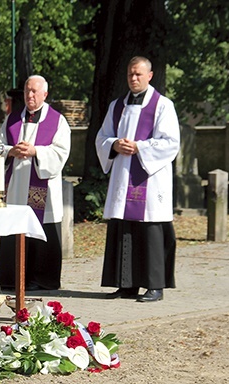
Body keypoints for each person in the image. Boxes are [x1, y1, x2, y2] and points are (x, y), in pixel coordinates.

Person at [95, 56, 180, 303]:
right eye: (130, 74)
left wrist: (140, 147)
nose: (133, 78)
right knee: (124, 227)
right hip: (123, 174)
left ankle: (155, 285)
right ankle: (126, 284)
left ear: (150, 76)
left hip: (149, 178)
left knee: (150, 228)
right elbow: (102, 137)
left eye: (139, 74)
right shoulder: (116, 106)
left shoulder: (163, 105)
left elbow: (171, 143)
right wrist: (114, 144)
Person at [0, 75, 71, 291]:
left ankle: (42, 279)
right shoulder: (13, 118)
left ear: (45, 94)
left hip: (43, 192)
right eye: (27, 91)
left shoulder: (57, 121)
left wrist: (36, 151)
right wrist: (11, 150)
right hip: (17, 187)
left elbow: (61, 151)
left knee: (41, 229)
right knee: (15, 228)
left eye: (35, 91)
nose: (30, 95)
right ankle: (11, 278)